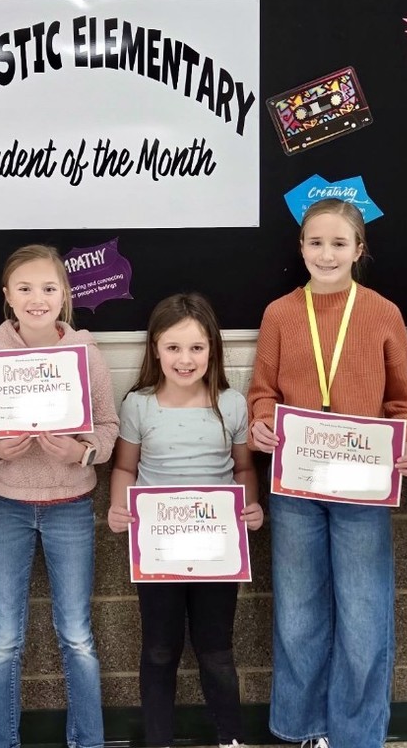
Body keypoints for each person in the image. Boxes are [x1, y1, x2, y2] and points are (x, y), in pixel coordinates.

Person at [247, 198, 407, 748]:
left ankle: (356, 736)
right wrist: (262, 423)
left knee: (364, 616)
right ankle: (304, 730)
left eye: (338, 243)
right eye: (315, 242)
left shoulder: (382, 313)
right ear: (301, 247)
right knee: (298, 615)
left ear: (358, 249)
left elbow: (404, 402)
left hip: (362, 488)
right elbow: (263, 393)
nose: (326, 254)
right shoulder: (280, 313)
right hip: (296, 486)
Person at [0, 244, 118, 748]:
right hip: (7, 506)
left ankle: (87, 741)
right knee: (5, 637)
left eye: (48, 288)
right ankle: (3, 742)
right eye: (24, 288)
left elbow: (108, 428)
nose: (37, 298)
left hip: (71, 505)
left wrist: (81, 453)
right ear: (7, 295)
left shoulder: (86, 355)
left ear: (65, 294)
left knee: (77, 635)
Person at [107, 293, 263, 748]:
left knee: (216, 650)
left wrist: (251, 507)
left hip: (218, 553)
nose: (185, 359)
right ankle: (158, 740)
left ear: (212, 348)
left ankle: (231, 739)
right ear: (155, 349)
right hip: (158, 552)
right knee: (159, 649)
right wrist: (118, 508)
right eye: (173, 347)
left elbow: (243, 469)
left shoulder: (231, 404)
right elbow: (125, 467)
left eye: (196, 347)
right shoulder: (138, 405)